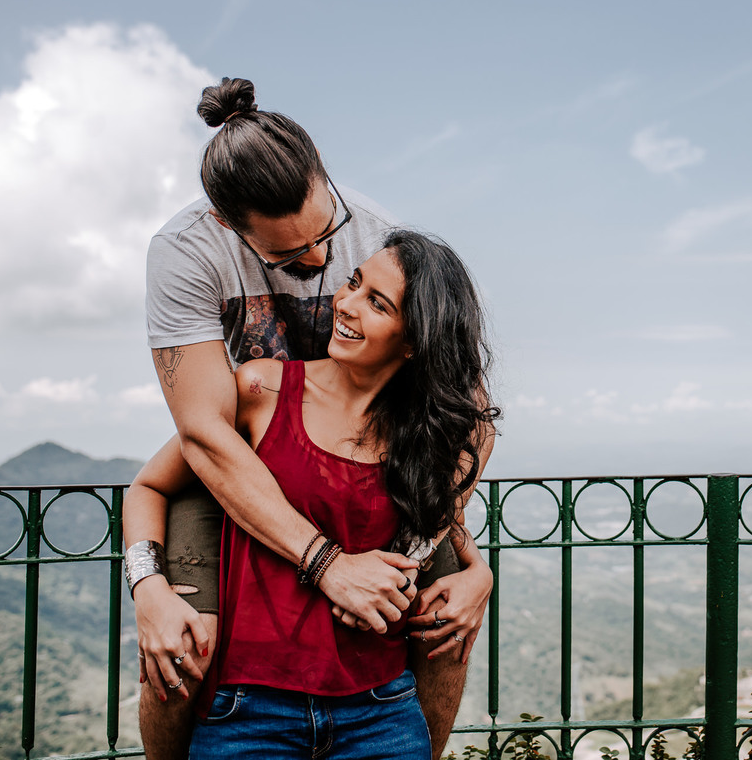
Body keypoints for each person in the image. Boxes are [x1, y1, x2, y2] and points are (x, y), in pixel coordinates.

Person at [135, 77, 492, 760]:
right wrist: (325, 564)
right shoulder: (185, 252)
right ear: (225, 223)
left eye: (325, 233)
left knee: (444, 620)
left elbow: (465, 410)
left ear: (323, 175)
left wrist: (470, 559)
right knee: (183, 647)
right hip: (243, 452)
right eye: (289, 255)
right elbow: (207, 435)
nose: (323, 260)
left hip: (369, 454)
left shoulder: (379, 235)